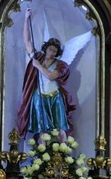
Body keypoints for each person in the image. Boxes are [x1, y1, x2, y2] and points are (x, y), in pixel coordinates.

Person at [16, 7, 76, 143]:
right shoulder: (38, 56)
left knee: (61, 128)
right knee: (41, 129)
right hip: (39, 96)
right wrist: (26, 19)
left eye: (55, 50)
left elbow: (51, 76)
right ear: (46, 48)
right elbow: (27, 41)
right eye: (50, 49)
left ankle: (64, 156)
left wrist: (38, 66)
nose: (52, 52)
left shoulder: (61, 65)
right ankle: (42, 156)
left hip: (55, 97)